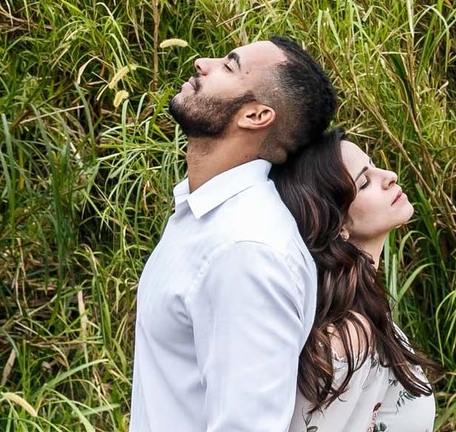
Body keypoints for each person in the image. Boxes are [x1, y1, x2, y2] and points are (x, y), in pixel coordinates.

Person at [130, 37, 337, 432]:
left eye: (229, 66)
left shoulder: (247, 250)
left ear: (257, 116)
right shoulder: (205, 218)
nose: (201, 63)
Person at [273, 128, 439, 432]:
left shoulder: (368, 311)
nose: (389, 175)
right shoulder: (348, 336)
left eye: (375, 165)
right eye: (364, 182)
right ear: (337, 224)